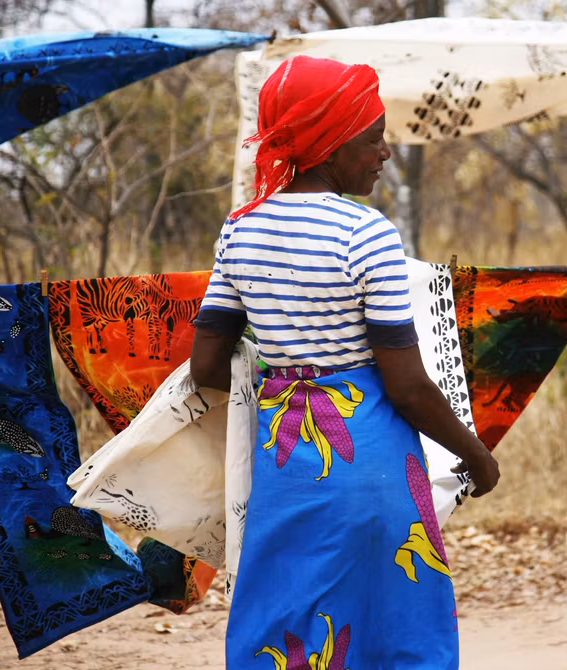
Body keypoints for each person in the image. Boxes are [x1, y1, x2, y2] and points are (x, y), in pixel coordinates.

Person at [190, 55, 500, 670]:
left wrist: (280, 369)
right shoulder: (367, 234)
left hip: (285, 460)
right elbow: (406, 387)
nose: (384, 153)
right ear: (330, 145)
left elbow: (205, 367)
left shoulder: (240, 230)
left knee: (287, 623)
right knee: (394, 628)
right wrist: (475, 455)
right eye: (373, 139)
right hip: (369, 461)